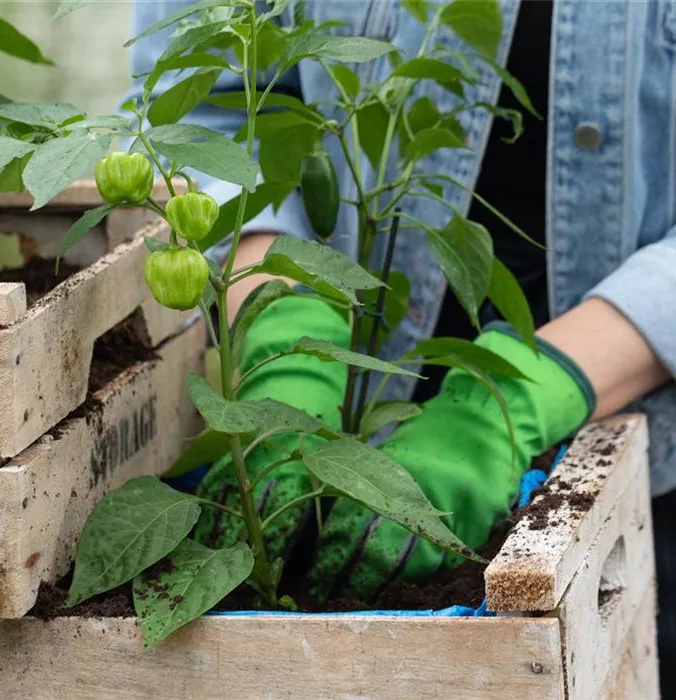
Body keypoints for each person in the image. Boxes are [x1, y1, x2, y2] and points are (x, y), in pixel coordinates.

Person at [130, 0, 676, 690]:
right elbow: (204, 112)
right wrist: (284, 322)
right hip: (341, 374)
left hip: (643, 443)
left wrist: (527, 391)